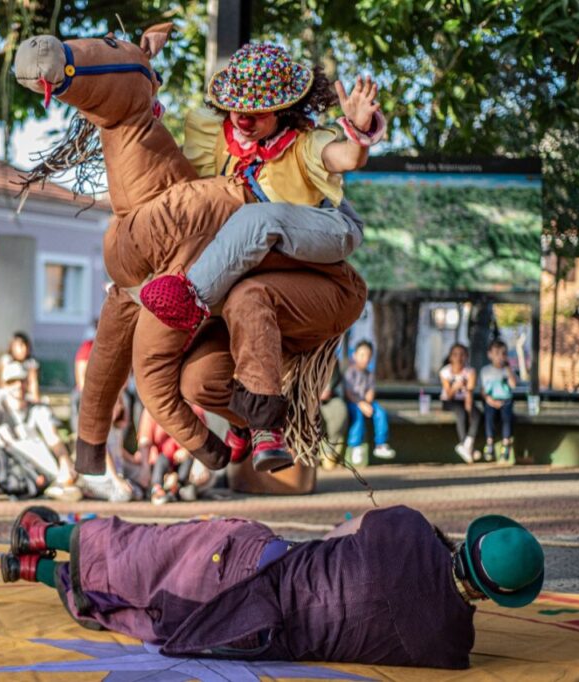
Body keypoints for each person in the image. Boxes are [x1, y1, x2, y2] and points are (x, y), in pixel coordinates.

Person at [135, 41, 382, 469]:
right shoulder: (218, 142)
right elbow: (179, 181)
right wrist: (141, 91)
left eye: (259, 110)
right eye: (237, 108)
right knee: (200, 380)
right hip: (264, 277)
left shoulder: (305, 142)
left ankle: (190, 298)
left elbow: (344, 156)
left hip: (327, 259)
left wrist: (358, 133)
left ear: (284, 109)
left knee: (258, 220)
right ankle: (257, 425)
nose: (245, 120)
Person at [0, 505, 544, 669]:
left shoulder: (406, 528)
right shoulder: (450, 649)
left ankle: (42, 532)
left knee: (136, 552)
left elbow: (340, 532)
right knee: (137, 611)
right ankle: (33, 571)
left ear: (472, 542)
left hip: (246, 564)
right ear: (498, 594)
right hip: (241, 632)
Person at [0, 362, 82, 503]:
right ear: (4, 385)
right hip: (1, 463)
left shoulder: (38, 408)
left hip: (36, 464)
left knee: (77, 445)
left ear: (28, 383)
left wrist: (65, 462)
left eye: (22, 381)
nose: (18, 385)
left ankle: (54, 485)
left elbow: (53, 438)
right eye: (12, 381)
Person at [343, 341, 395, 464]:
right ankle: (355, 445)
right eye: (362, 355)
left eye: (368, 356)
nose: (365, 358)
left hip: (367, 403)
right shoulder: (350, 373)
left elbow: (371, 392)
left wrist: (367, 402)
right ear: (354, 355)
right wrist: (361, 404)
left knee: (380, 413)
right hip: (353, 403)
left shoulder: (369, 374)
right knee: (357, 415)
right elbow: (348, 393)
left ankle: (380, 444)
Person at [440, 343, 483, 463]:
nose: (459, 358)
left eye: (462, 354)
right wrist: (456, 386)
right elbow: (448, 394)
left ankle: (467, 445)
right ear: (450, 357)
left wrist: (469, 404)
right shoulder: (445, 372)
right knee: (461, 413)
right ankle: (464, 443)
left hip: (465, 399)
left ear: (467, 356)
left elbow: (469, 390)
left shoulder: (470, 371)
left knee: (476, 414)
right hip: (450, 401)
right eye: (455, 355)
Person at [480, 339, 517, 463]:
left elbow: (513, 385)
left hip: (506, 400)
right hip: (491, 400)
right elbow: (484, 390)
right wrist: (489, 400)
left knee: (507, 418)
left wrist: (508, 369)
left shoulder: (507, 370)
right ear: (489, 354)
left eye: (503, 353)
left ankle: (506, 444)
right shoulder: (486, 370)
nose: (500, 357)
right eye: (496, 353)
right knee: (488, 416)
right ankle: (489, 443)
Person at [318, 362, 348, 468]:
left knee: (340, 411)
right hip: (307, 399)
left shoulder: (333, 359)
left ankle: (328, 452)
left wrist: (328, 389)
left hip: (331, 398)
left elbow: (336, 377)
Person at [0, 332, 40, 402]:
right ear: (12, 346)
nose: (24, 349)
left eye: (26, 346)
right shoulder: (6, 360)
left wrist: (36, 399)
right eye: (20, 346)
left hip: (25, 397)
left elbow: (33, 383)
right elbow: (2, 383)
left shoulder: (31, 363)